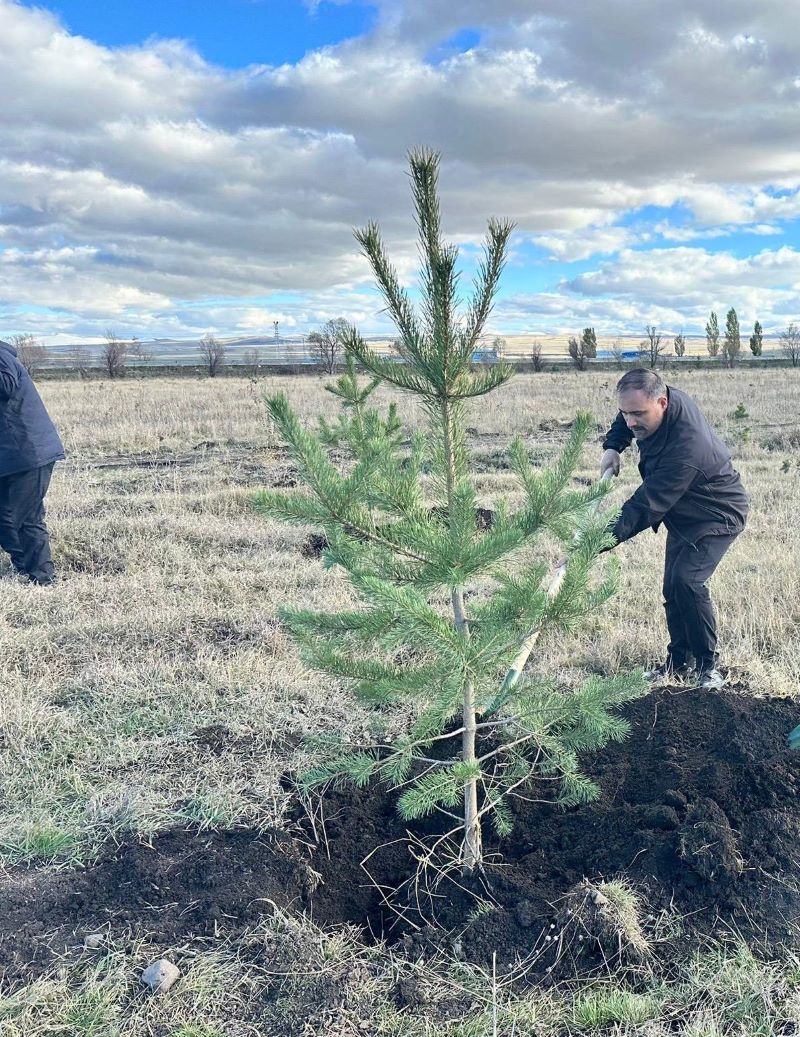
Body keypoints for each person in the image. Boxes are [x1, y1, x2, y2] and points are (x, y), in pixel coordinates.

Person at [600, 368, 748, 690]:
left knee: (687, 582)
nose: (630, 421)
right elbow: (629, 411)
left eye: (638, 414)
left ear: (663, 403)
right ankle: (678, 663)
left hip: (716, 514)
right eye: (625, 413)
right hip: (683, 512)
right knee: (672, 587)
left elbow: (646, 505)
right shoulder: (650, 398)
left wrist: (594, 541)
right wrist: (614, 445)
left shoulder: (686, 446)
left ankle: (709, 667)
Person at [0, 339, 64, 585]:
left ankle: (42, 578)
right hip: (13, 454)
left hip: (28, 453)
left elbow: (5, 385)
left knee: (23, 518)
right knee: (9, 516)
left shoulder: (1, 356)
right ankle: (27, 568)